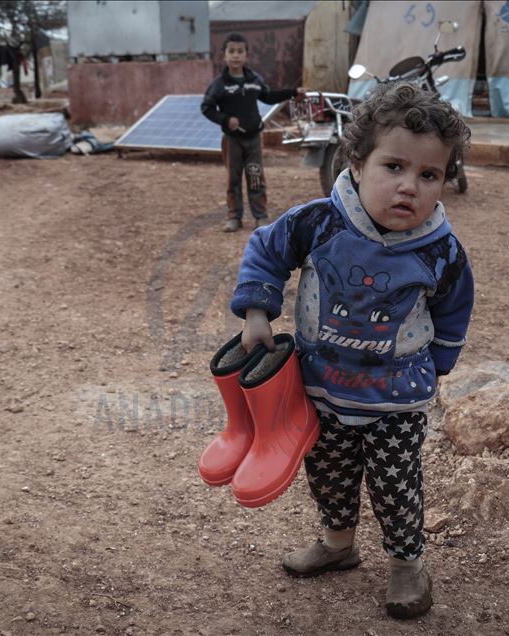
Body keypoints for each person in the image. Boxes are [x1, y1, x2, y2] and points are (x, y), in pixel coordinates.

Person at [229, 82, 474, 619]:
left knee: (395, 484)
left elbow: (454, 308)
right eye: (394, 167)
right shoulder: (320, 222)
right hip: (322, 386)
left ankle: (408, 564)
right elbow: (267, 249)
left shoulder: (440, 250)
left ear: (443, 181)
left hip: (396, 398)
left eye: (428, 175)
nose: (409, 186)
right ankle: (338, 544)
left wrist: (439, 365)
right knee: (329, 471)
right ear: (357, 162)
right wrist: (255, 312)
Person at [201, 33, 306, 232]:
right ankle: (234, 217)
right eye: (231, 51)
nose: (236, 56)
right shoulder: (219, 84)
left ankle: (261, 215)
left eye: (240, 51)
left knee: (256, 175)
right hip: (232, 140)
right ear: (224, 55)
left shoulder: (254, 80)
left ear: (247, 55)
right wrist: (225, 120)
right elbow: (206, 107)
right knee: (233, 179)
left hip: (254, 139)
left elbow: (268, 96)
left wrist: (293, 92)